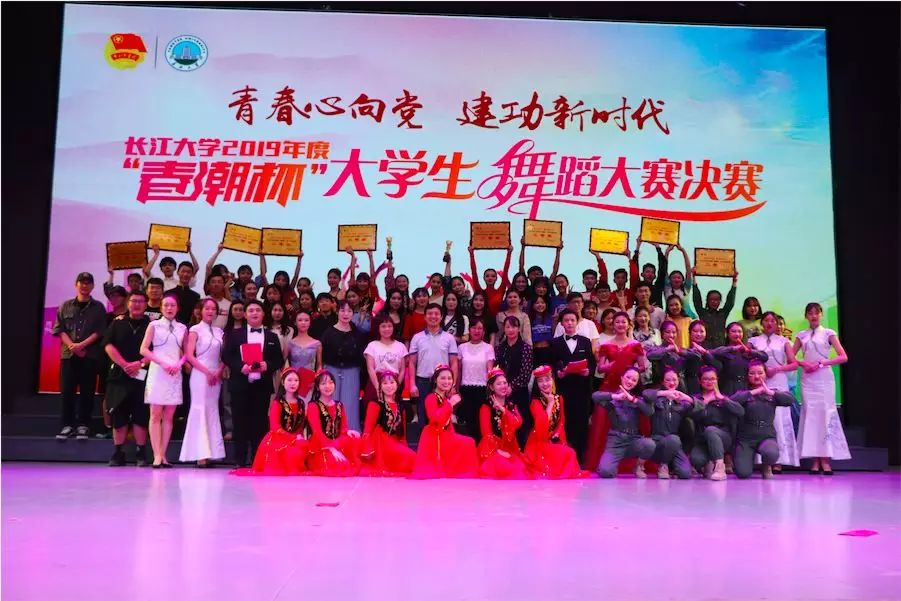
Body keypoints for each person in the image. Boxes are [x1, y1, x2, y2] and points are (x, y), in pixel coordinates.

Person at [222, 300, 284, 467]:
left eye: (258, 310)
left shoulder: (272, 336)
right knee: (239, 422)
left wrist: (267, 365)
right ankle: (239, 460)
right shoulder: (235, 334)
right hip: (240, 384)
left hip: (262, 386)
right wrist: (240, 366)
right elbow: (226, 356)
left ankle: (258, 459)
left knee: (260, 423)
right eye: (251, 310)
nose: (254, 313)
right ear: (245, 314)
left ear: (263, 314)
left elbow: (278, 359)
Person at [585, 312, 647, 473]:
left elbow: (642, 367)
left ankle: (633, 461)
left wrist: (632, 371)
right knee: (603, 424)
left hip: (630, 386)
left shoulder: (636, 345)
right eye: (617, 322)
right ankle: (606, 459)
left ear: (628, 324)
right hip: (610, 387)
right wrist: (610, 366)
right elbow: (600, 368)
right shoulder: (606, 345)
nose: (620, 324)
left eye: (623, 322)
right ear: (613, 324)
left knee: (631, 421)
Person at [793, 302, 850, 474]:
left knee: (825, 414)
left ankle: (825, 460)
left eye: (816, 313)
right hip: (808, 379)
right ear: (806, 316)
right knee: (810, 416)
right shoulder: (801, 335)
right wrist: (803, 364)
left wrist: (823, 363)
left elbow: (843, 357)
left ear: (821, 315)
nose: (813, 316)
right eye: (810, 313)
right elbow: (791, 357)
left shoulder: (828, 333)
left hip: (824, 377)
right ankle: (815, 460)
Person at [53, 272, 108, 440]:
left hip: (89, 355)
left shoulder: (98, 307)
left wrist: (82, 345)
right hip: (68, 356)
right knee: (67, 392)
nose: (84, 286)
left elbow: (99, 331)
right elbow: (59, 329)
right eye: (81, 282)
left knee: (87, 392)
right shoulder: (65, 306)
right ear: (76, 285)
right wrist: (72, 346)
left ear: (93, 286)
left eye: (88, 283)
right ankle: (67, 425)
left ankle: (83, 425)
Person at [102, 291, 152, 466]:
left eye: (140, 301)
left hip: (143, 374)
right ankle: (118, 452)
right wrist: (124, 364)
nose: (137, 304)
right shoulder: (117, 323)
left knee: (141, 414)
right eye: (133, 301)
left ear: (146, 304)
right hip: (119, 375)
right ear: (128, 303)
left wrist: (140, 363)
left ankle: (141, 452)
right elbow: (108, 345)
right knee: (119, 414)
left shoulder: (151, 325)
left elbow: (156, 350)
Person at [748, 312, 800, 470]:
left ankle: (778, 459)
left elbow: (794, 364)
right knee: (761, 416)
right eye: (766, 320)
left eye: (773, 321)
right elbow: (747, 360)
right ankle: (761, 458)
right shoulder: (754, 341)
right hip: (759, 381)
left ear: (777, 324)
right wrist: (760, 372)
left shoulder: (784, 341)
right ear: (761, 323)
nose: (769, 323)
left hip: (778, 381)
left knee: (778, 419)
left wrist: (776, 370)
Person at [140, 294, 187, 467]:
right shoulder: (154, 325)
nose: (169, 308)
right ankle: (156, 455)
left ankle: (163, 454)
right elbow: (144, 349)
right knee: (155, 414)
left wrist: (179, 364)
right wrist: (162, 363)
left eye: (172, 305)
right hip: (158, 371)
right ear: (160, 308)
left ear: (177, 308)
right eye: (166, 305)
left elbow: (187, 353)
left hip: (174, 373)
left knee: (169, 416)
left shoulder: (182, 328)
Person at [179, 298, 226, 468]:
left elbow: (224, 355)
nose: (210, 311)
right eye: (207, 308)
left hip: (216, 374)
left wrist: (219, 371)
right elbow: (189, 355)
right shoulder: (194, 329)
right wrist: (207, 372)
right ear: (201, 311)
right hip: (200, 374)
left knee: (212, 410)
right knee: (199, 409)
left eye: (213, 309)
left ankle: (212, 452)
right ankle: (199, 454)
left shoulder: (219, 331)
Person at [411, 364, 479, 478]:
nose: (446, 381)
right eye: (442, 378)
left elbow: (448, 424)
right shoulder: (431, 397)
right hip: (434, 437)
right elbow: (435, 419)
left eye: (449, 378)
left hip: (445, 435)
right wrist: (450, 404)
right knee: (468, 443)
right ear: (435, 380)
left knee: (469, 442)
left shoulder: (444, 399)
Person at [731, 362, 795, 479]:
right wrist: (754, 392)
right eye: (752, 373)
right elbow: (732, 401)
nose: (756, 376)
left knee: (771, 453)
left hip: (766, 436)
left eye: (760, 373)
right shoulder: (743, 393)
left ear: (766, 374)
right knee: (743, 473)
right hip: (746, 439)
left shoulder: (772, 392)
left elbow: (790, 400)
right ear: (747, 375)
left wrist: (771, 392)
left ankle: (766, 466)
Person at [550, 309, 596, 463]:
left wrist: (588, 371)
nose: (569, 323)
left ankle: (580, 458)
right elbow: (552, 363)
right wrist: (558, 372)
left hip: (582, 389)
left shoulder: (585, 341)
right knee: (564, 421)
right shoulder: (555, 343)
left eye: (572, 320)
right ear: (561, 324)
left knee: (581, 423)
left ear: (577, 322)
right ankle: (564, 457)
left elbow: (592, 363)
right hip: (563, 388)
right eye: (566, 320)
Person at [591, 367, 656, 478]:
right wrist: (615, 396)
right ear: (622, 377)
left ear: (636, 383)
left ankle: (639, 466)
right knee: (605, 472)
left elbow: (650, 412)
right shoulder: (612, 397)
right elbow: (595, 396)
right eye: (628, 377)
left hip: (633, 439)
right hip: (616, 441)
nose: (630, 381)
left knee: (649, 444)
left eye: (634, 380)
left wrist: (633, 399)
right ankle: (612, 464)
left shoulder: (638, 399)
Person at [525, 365, 585, 479]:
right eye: (540, 381)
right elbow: (541, 426)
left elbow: (561, 421)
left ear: (552, 380)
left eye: (547, 379)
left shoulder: (559, 398)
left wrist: (557, 434)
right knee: (568, 454)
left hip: (554, 439)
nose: (545, 384)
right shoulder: (535, 402)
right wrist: (550, 403)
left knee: (569, 452)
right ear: (536, 384)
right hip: (539, 442)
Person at [249, 368, 308, 476]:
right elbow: (275, 427)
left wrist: (298, 438)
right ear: (283, 382)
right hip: (278, 438)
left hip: (295, 438)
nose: (293, 383)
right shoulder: (278, 402)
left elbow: (300, 426)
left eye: (296, 380)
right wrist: (292, 438)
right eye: (289, 380)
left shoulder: (301, 403)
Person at [690, 367, 745, 480]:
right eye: (705, 379)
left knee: (711, 430)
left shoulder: (723, 397)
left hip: (723, 437)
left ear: (717, 380)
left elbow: (740, 412)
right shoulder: (696, 399)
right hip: (702, 438)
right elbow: (693, 416)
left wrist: (724, 399)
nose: (709, 382)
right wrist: (704, 403)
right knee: (696, 459)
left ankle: (720, 467)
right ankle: (709, 463)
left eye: (712, 379)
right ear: (700, 381)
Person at [407, 303, 459, 422]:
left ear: (441, 317)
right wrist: (412, 384)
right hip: (422, 381)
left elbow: (454, 363)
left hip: (443, 382)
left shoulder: (449, 338)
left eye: (436, 314)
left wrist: (452, 385)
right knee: (423, 416)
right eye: (430, 314)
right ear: (425, 317)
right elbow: (412, 363)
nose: (433, 316)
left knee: (443, 416)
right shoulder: (417, 337)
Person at [319, 299, 366, 431]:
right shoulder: (328, 332)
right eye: (342, 310)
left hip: (352, 372)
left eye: (349, 311)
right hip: (331, 372)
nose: (346, 314)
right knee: (330, 401)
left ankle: (350, 434)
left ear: (353, 313)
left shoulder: (358, 333)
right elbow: (322, 355)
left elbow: (361, 356)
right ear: (337, 312)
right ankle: (330, 432)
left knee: (350, 404)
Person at [360, 369, 416, 476]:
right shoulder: (375, 404)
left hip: (394, 442)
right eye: (385, 383)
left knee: (412, 458)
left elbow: (403, 433)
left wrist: (404, 447)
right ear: (380, 386)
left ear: (397, 385)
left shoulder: (401, 406)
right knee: (412, 459)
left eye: (392, 382)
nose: (389, 386)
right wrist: (367, 449)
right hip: (380, 443)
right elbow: (367, 430)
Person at [305, 369, 360, 476]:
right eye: (323, 383)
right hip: (321, 445)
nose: (328, 386)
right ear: (317, 387)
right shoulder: (313, 405)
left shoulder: (339, 405)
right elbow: (317, 432)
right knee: (336, 465)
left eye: (331, 382)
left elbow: (343, 428)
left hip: (337, 442)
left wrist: (348, 432)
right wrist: (331, 448)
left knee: (355, 440)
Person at [641, 369, 694, 479]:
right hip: (657, 441)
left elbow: (701, 408)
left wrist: (686, 397)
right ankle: (663, 465)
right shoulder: (657, 398)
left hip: (674, 442)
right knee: (673, 439)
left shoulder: (682, 402)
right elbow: (645, 394)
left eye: (674, 380)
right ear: (662, 382)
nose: (671, 383)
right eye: (668, 380)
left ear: (679, 381)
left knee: (685, 473)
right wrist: (665, 393)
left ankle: (670, 466)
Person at [478, 370, 531, 479]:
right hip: (492, 449)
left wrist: (503, 409)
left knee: (521, 469)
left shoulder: (511, 405)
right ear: (491, 387)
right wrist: (499, 451)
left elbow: (518, 422)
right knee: (504, 467)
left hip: (510, 447)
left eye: (505, 383)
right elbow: (487, 434)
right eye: (499, 384)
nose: (503, 386)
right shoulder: (486, 407)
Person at [494, 316, 534, 449]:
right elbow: (496, 370)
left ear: (519, 329)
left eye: (514, 326)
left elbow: (526, 373)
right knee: (502, 423)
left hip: (519, 392)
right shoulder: (499, 348)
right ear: (504, 329)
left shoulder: (526, 348)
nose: (511, 330)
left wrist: (511, 386)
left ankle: (520, 451)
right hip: (501, 393)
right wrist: (502, 387)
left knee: (520, 423)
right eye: (508, 327)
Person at [456, 318, 495, 441]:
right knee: (469, 422)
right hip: (466, 389)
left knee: (482, 422)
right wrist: (456, 389)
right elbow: (459, 370)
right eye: (474, 328)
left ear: (484, 331)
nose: (476, 331)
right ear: (469, 330)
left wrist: (491, 391)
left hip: (483, 390)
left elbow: (490, 371)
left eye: (480, 328)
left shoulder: (488, 348)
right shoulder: (462, 347)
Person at [712, 323, 768, 395]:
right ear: (728, 334)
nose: (737, 334)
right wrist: (732, 348)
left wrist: (750, 351)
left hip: (745, 388)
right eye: (733, 331)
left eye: (739, 331)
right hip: (728, 388)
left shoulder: (747, 350)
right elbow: (713, 353)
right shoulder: (724, 350)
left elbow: (764, 357)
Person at [363, 314, 407, 405]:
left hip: (394, 382)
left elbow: (402, 370)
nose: (387, 329)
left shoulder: (401, 346)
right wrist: (377, 387)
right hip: (376, 381)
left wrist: (396, 386)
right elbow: (370, 368)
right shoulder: (372, 345)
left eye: (389, 326)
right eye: (383, 326)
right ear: (378, 328)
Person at [691, 269, 738, 348]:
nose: (714, 302)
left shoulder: (723, 313)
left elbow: (730, 302)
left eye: (717, 300)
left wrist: (734, 282)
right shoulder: (703, 313)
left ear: (720, 301)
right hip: (705, 347)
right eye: (712, 299)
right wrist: (694, 278)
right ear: (707, 300)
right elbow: (696, 299)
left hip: (720, 347)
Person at [286, 310, 322, 402]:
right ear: (295, 322)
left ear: (310, 322)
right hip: (293, 380)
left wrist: (317, 379)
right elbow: (283, 363)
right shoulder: (290, 343)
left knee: (307, 406)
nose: (303, 323)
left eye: (306, 320)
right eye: (300, 320)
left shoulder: (317, 343)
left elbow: (319, 364)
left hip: (309, 381)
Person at [468, 244, 513, 316]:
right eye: (487, 276)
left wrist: (509, 253)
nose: (490, 278)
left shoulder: (500, 290)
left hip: (498, 322)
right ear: (484, 278)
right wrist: (471, 254)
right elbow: (474, 272)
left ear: (496, 278)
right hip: (482, 321)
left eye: (493, 276)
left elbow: (506, 271)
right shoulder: (480, 291)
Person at [662, 244, 696, 318]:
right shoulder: (667, 288)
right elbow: (664, 268)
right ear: (669, 280)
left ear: (683, 280)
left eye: (679, 278)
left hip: (687, 317)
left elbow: (688, 268)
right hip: (670, 318)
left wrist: (683, 250)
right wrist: (667, 252)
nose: (676, 279)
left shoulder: (686, 288)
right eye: (674, 278)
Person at [633, 237, 668, 307]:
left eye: (652, 272)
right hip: (640, 313)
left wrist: (658, 248)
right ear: (642, 274)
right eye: (647, 272)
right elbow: (634, 269)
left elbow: (662, 268)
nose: (650, 274)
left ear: (655, 276)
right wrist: (637, 247)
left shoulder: (658, 287)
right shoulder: (638, 286)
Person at [632, 306, 661, 385]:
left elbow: (660, 349)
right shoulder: (632, 333)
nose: (643, 318)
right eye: (640, 316)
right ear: (635, 318)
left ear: (649, 317)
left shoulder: (656, 332)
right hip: (640, 369)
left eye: (645, 316)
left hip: (655, 368)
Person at [528, 295, 554, 368]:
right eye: (537, 303)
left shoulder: (550, 317)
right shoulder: (529, 319)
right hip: (535, 352)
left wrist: (555, 321)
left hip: (549, 350)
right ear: (532, 305)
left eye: (542, 302)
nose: (540, 305)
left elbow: (553, 334)